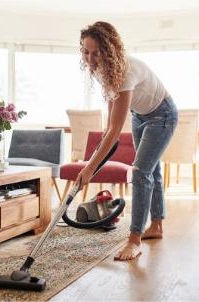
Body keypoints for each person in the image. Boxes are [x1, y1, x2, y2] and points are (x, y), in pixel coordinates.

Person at [76, 21, 178, 261]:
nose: (90, 59)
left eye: (96, 53)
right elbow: (109, 127)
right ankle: (157, 225)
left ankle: (134, 240)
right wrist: (97, 155)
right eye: (85, 52)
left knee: (141, 172)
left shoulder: (124, 71)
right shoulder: (103, 69)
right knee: (152, 170)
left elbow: (114, 130)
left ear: (108, 51)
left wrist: (90, 168)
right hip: (139, 115)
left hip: (162, 115)